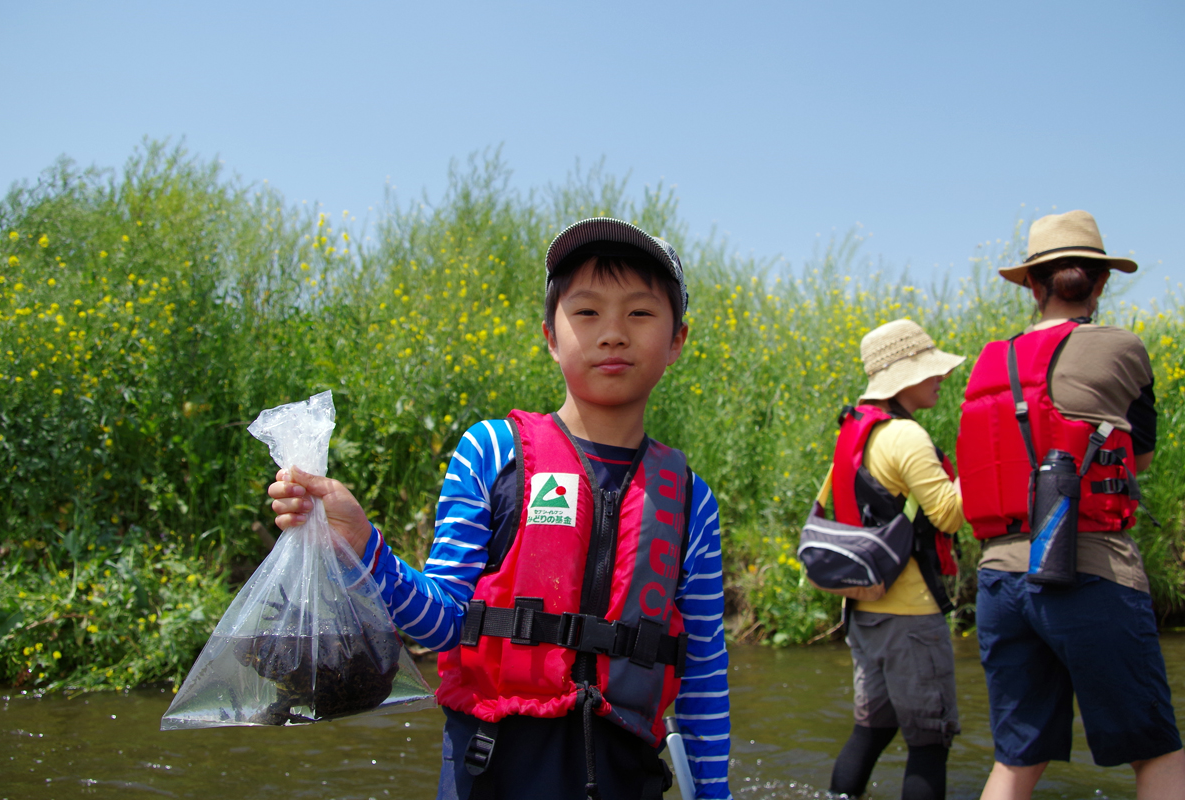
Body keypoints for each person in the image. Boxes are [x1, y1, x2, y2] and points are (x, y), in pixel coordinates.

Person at [268, 218, 732, 800]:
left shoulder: (692, 500)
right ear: (550, 336)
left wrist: (716, 792)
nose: (613, 334)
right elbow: (441, 624)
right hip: (491, 772)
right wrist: (363, 543)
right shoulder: (492, 453)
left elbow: (704, 680)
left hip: (627, 777)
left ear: (676, 342)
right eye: (586, 313)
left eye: (640, 314)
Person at [957, 210, 1184, 799]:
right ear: (1102, 283)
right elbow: (1141, 458)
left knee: (1015, 760)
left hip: (1000, 581)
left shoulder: (989, 362)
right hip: (1089, 571)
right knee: (1157, 753)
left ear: (1033, 287)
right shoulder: (1121, 347)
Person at [822, 319, 966, 800]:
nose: (941, 377)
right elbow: (947, 515)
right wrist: (977, 466)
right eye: (932, 370)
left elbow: (831, 504)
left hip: (863, 611)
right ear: (905, 378)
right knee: (929, 742)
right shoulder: (906, 437)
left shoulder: (854, 432)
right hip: (911, 616)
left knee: (873, 729)